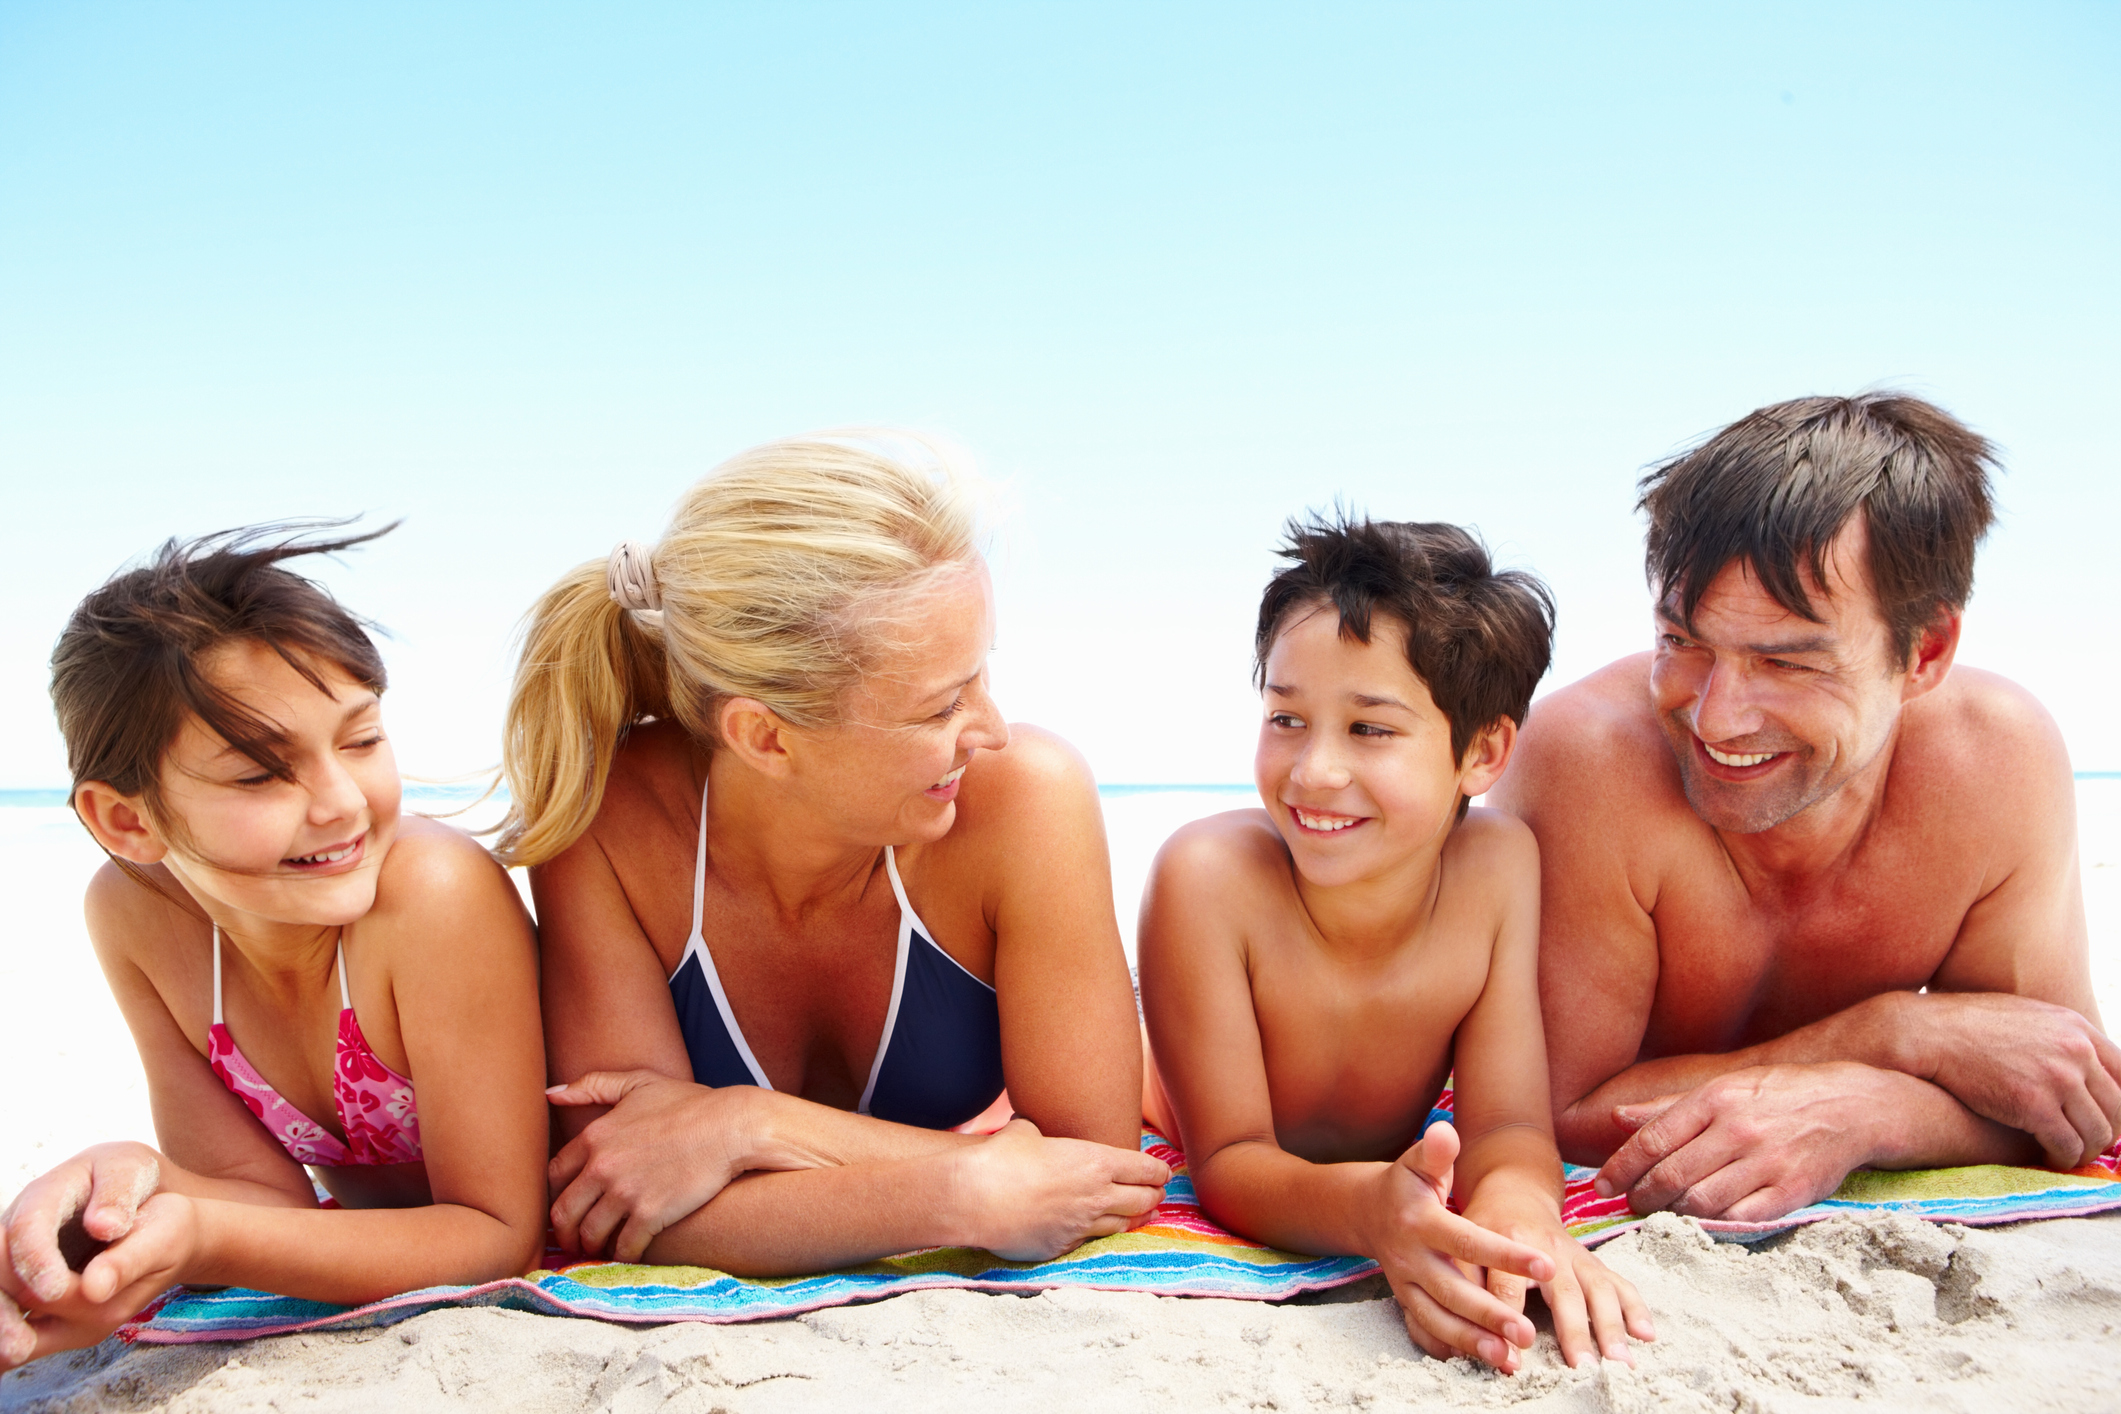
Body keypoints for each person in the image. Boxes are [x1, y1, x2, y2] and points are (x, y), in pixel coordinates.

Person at [508, 432, 1169, 1275]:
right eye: (939, 708)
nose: (992, 729)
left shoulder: (1024, 798)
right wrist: (963, 1192)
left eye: (982, 674)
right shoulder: (607, 825)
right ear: (766, 738)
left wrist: (754, 1125)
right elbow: (628, 1203)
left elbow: (1093, 1176)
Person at [1492, 392, 2121, 1223]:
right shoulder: (1588, 759)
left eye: (1787, 663)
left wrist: (1870, 1110)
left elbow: (2065, 1100)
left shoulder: (1991, 763)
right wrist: (1889, 1036)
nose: (1715, 717)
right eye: (1682, 642)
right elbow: (1556, 1114)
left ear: (1923, 653)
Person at [0, 527, 547, 1371]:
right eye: (260, 773)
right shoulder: (136, 914)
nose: (339, 803)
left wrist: (204, 1236)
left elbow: (497, 1231)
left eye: (361, 740)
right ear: (127, 821)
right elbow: (256, 1199)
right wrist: (118, 1197)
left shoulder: (433, 894)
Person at [1138, 514, 1653, 1373]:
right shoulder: (1207, 877)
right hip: (1179, 1116)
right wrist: (1370, 1211)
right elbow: (1228, 1161)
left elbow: (1509, 1125)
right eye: (1285, 718)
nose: (1312, 773)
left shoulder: (1496, 867)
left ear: (1481, 752)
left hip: (1388, 1165)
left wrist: (1521, 1223)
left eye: (1369, 730)